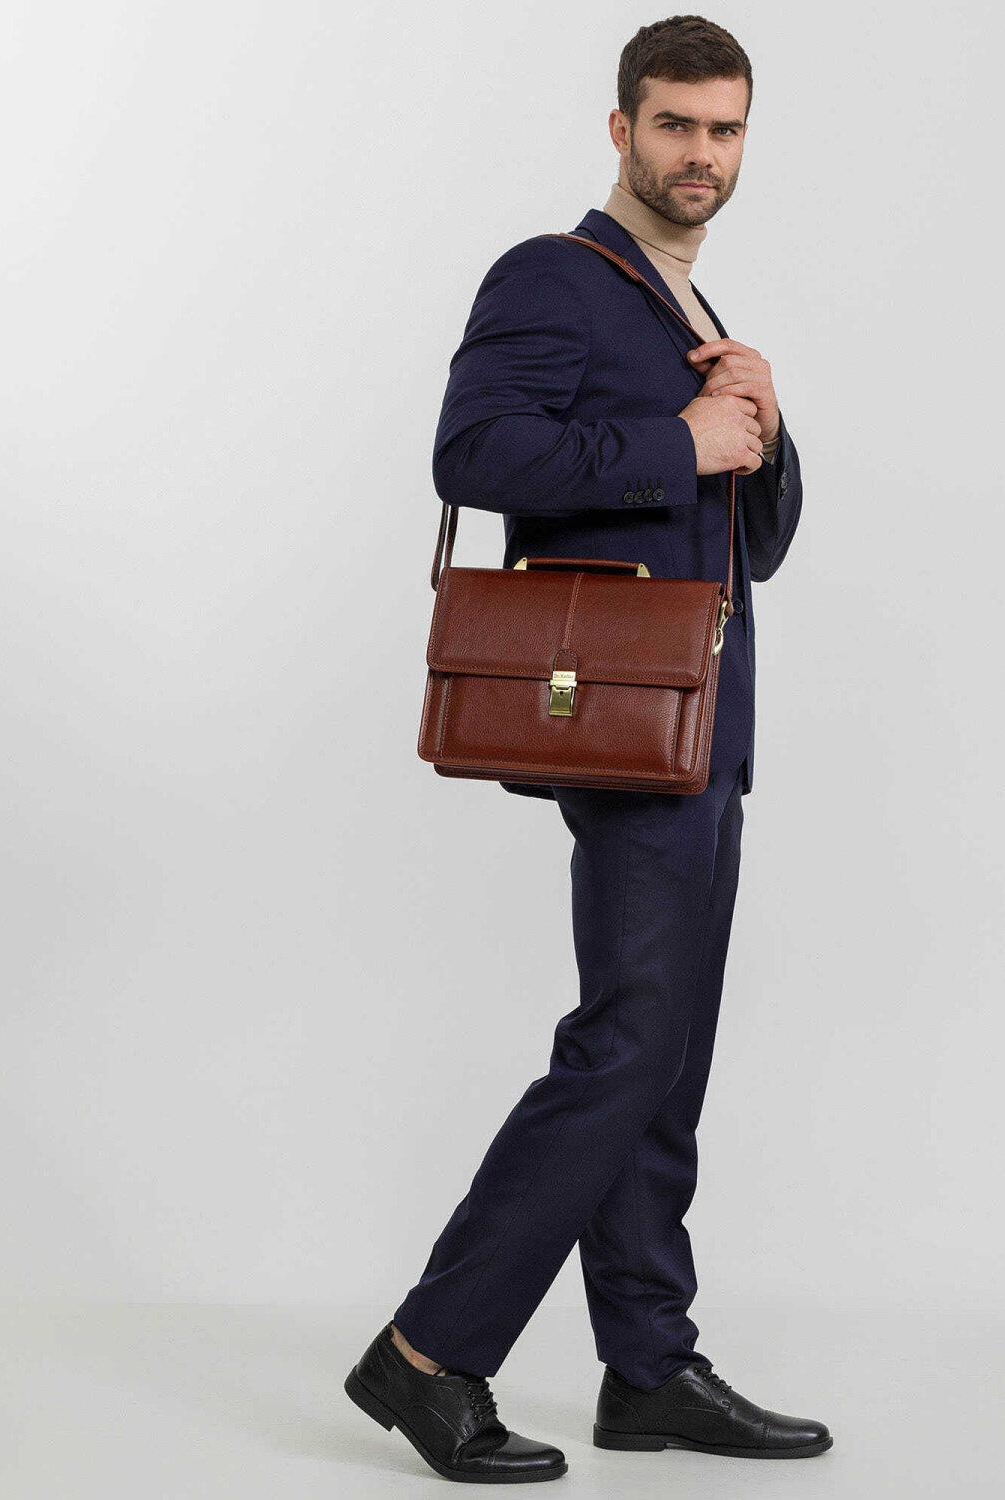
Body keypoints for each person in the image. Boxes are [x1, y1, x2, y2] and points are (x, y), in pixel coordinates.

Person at [345, 16, 825, 1483]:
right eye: (675, 124)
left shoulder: (690, 307)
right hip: (619, 715)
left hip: (703, 724)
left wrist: (764, 427)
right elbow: (474, 453)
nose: (701, 153)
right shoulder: (554, 277)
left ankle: (649, 1366)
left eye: (724, 129)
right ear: (621, 130)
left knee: (664, 1052)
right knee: (627, 1042)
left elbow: (755, 546)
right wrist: (682, 441)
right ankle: (427, 1355)